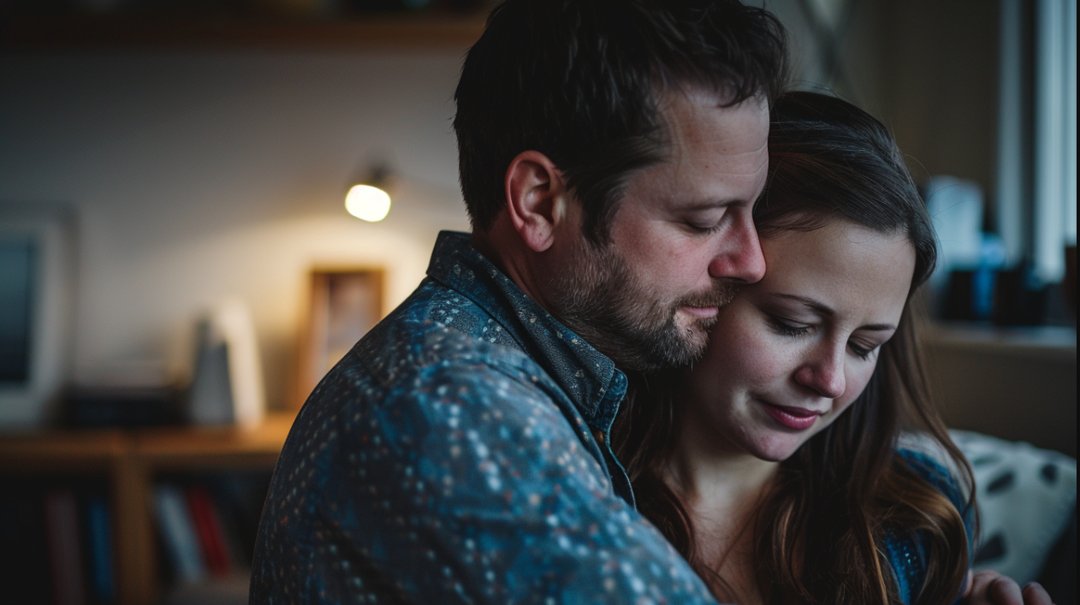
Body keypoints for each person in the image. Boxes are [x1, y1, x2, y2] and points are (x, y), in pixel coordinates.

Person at [249, 0, 788, 602]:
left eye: (751, 212)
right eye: (704, 219)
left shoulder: (507, 376)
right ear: (538, 203)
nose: (751, 260)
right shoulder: (449, 410)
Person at [612, 90, 1055, 605]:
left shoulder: (913, 522)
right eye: (791, 323)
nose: (831, 381)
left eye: (865, 346)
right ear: (703, 290)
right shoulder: (571, 493)